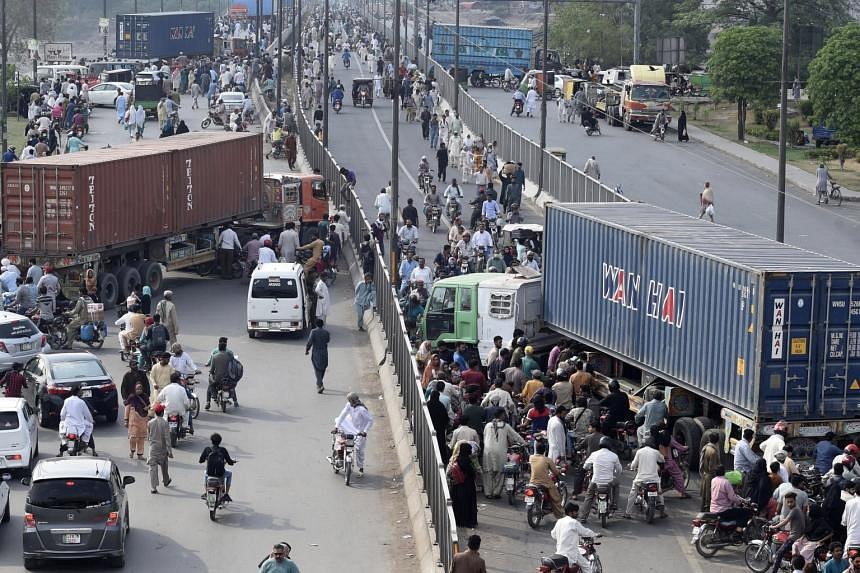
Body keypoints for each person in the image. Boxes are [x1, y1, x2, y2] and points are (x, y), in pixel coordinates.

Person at [482, 409, 526, 498]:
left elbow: (484, 437)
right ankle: (496, 492)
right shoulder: (506, 426)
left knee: (488, 472)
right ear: (501, 415)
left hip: (488, 451)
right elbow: (515, 436)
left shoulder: (488, 425)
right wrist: (524, 443)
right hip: (501, 451)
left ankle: (488, 493)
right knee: (500, 472)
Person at [333, 392, 375, 477]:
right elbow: (343, 414)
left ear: (353, 401)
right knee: (340, 438)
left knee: (359, 450)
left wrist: (365, 431)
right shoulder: (349, 405)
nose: (349, 402)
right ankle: (338, 456)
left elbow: (370, 420)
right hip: (350, 426)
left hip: (360, 431)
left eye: (350, 401)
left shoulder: (361, 409)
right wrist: (336, 427)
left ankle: (361, 469)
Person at [581, 437, 622, 522]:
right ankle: (614, 504)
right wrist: (614, 472)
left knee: (589, 497)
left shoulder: (594, 454)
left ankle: (583, 517)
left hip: (595, 481)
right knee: (617, 484)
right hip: (609, 482)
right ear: (609, 445)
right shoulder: (614, 456)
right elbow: (619, 470)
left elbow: (585, 466)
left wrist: (590, 468)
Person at [551, 502, 599, 573]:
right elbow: (585, 532)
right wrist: (595, 534)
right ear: (570, 512)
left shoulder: (559, 521)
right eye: (576, 512)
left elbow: (553, 534)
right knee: (586, 566)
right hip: (571, 553)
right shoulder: (573, 522)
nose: (577, 513)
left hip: (559, 552)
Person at [770, 492, 806, 573]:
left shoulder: (794, 510)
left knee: (778, 555)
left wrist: (773, 527)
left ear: (795, 501)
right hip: (799, 537)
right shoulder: (798, 509)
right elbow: (788, 520)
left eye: (791, 501)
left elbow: (785, 521)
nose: (789, 504)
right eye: (788, 502)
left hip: (793, 538)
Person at [529, 441, 565, 518]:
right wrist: (560, 470)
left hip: (532, 482)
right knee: (556, 497)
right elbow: (555, 472)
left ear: (536, 449)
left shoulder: (531, 457)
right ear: (545, 450)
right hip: (544, 482)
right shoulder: (547, 460)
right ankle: (560, 516)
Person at [448, 441, 479, 528]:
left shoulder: (458, 459)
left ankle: (460, 521)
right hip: (467, 485)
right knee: (467, 503)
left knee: (460, 503)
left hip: (458, 486)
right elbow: (471, 472)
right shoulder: (466, 461)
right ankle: (467, 521)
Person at [199, 432, 237, 502]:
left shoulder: (207, 449)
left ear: (211, 441)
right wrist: (232, 462)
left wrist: (206, 458)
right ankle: (226, 494)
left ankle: (206, 492)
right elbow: (230, 462)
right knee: (230, 474)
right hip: (220, 474)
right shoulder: (223, 450)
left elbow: (200, 461)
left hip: (209, 473)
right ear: (220, 441)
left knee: (205, 473)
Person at [59, 384, 95, 455]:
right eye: (81, 391)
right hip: (79, 425)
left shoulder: (67, 400)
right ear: (77, 392)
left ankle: (63, 445)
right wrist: (91, 421)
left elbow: (62, 414)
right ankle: (84, 442)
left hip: (69, 425)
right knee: (90, 425)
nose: (82, 392)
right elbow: (87, 415)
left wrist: (63, 420)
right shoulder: (81, 402)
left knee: (62, 431)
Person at [147, 404, 172, 494]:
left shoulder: (150, 423)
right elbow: (167, 438)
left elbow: (148, 436)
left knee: (152, 469)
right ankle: (166, 480)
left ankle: (153, 488)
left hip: (153, 449)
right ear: (162, 413)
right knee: (164, 466)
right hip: (162, 449)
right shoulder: (165, 423)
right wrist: (170, 451)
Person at [124, 384, 150, 460]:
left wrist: (147, 407)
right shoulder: (131, 397)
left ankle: (140, 454)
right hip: (134, 421)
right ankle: (132, 451)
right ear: (134, 389)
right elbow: (127, 408)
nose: (139, 390)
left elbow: (149, 405)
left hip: (143, 420)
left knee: (141, 438)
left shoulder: (145, 396)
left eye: (140, 389)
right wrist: (126, 420)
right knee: (133, 437)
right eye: (137, 389)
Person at [305, 319, 330, 393]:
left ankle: (319, 384)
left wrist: (307, 349)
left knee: (317, 369)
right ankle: (320, 383)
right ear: (322, 324)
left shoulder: (313, 331)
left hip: (316, 352)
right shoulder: (326, 332)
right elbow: (328, 340)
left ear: (316, 324)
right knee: (323, 367)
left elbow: (310, 342)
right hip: (324, 352)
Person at [699, 431, 721, 511]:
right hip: (710, 477)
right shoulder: (713, 452)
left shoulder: (706, 447)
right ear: (717, 441)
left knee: (704, 497)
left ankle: (702, 511)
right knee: (709, 497)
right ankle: (707, 514)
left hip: (705, 474)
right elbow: (712, 467)